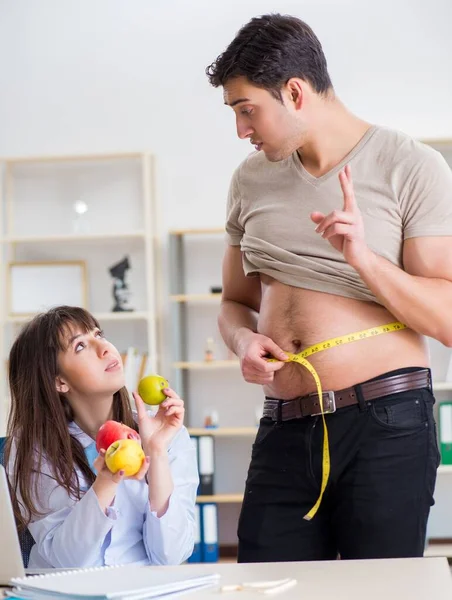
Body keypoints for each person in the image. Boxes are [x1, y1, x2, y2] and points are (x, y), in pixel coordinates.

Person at [206, 13, 452, 562]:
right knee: (266, 588)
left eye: (248, 110)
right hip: (284, 427)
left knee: (380, 596)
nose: (241, 130)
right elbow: (235, 304)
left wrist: (364, 259)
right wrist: (243, 342)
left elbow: (447, 318)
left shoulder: (411, 167)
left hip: (385, 425)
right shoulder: (249, 179)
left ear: (294, 92)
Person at [4, 305, 198, 568]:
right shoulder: (33, 446)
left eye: (99, 334)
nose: (105, 348)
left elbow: (171, 555)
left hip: (143, 590)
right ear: (59, 381)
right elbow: (67, 562)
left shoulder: (167, 434)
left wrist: (157, 453)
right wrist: (107, 481)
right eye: (80, 346)